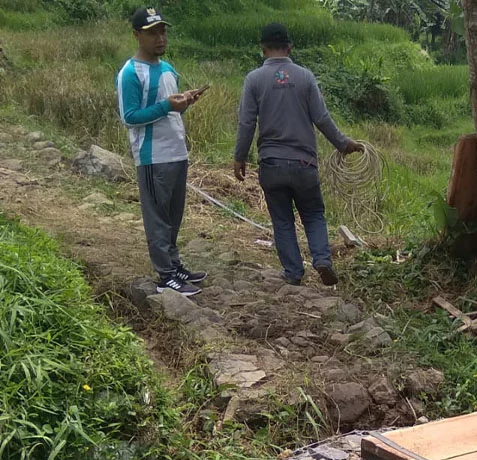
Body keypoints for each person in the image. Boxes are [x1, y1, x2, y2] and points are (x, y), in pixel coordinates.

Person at [233, 23, 362, 286]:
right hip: (304, 164)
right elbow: (322, 118)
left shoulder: (254, 79)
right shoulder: (305, 77)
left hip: (272, 163)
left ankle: (293, 273)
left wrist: (240, 157)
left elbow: (246, 123)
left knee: (282, 220)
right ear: (290, 48)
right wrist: (343, 144)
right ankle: (322, 260)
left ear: (263, 49)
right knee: (313, 214)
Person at [118, 6, 208, 297]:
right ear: (137, 35)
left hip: (176, 152)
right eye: (152, 32)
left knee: (173, 216)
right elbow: (129, 117)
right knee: (157, 218)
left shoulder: (168, 69)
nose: (160, 38)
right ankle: (165, 275)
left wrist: (183, 102)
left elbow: (170, 109)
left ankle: (174, 263)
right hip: (152, 156)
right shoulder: (130, 73)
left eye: (162, 31)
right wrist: (169, 106)